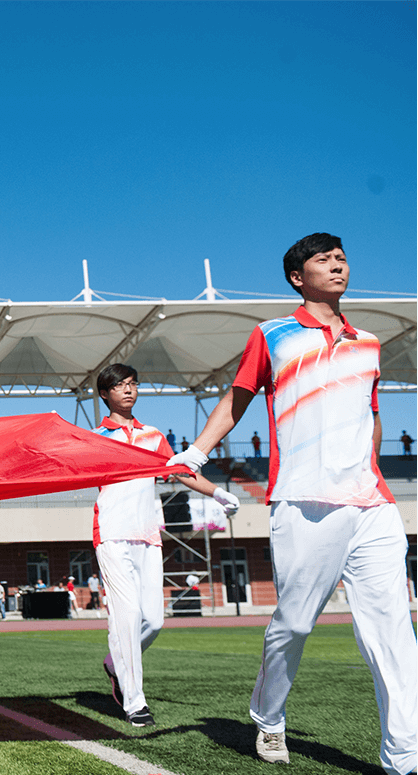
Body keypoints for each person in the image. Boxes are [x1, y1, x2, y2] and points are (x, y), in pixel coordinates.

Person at [168, 233, 416, 773]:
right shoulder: (273, 334)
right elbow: (238, 397)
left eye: (342, 258)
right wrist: (196, 452)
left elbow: (371, 415)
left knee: (394, 630)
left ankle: (404, 759)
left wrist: (371, 472)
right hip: (304, 500)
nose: (337, 266)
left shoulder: (368, 342)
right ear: (297, 278)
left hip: (371, 504)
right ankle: (269, 714)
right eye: (324, 260)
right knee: (295, 625)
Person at [94, 363, 239, 729]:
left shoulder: (153, 435)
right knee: (126, 618)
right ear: (105, 394)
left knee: (154, 621)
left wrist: (218, 493)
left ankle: (115, 664)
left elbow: (181, 471)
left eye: (132, 383)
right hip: (112, 534)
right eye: (120, 385)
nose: (128, 390)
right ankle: (135, 703)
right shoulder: (95, 438)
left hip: (148, 536)